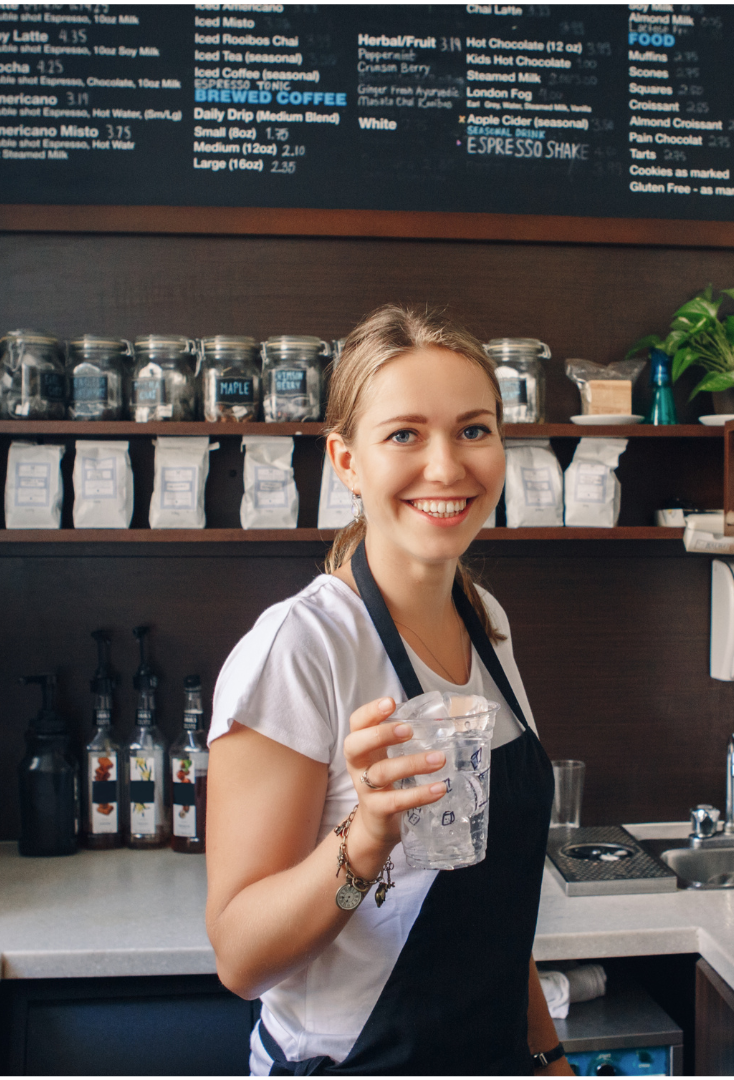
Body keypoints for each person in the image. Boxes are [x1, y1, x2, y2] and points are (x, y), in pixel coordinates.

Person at [205, 305, 571, 1075]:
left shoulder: (487, 623)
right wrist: (366, 838)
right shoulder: (301, 649)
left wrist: (547, 1055)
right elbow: (243, 961)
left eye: (474, 430)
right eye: (405, 434)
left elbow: (492, 915)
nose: (447, 467)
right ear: (346, 461)